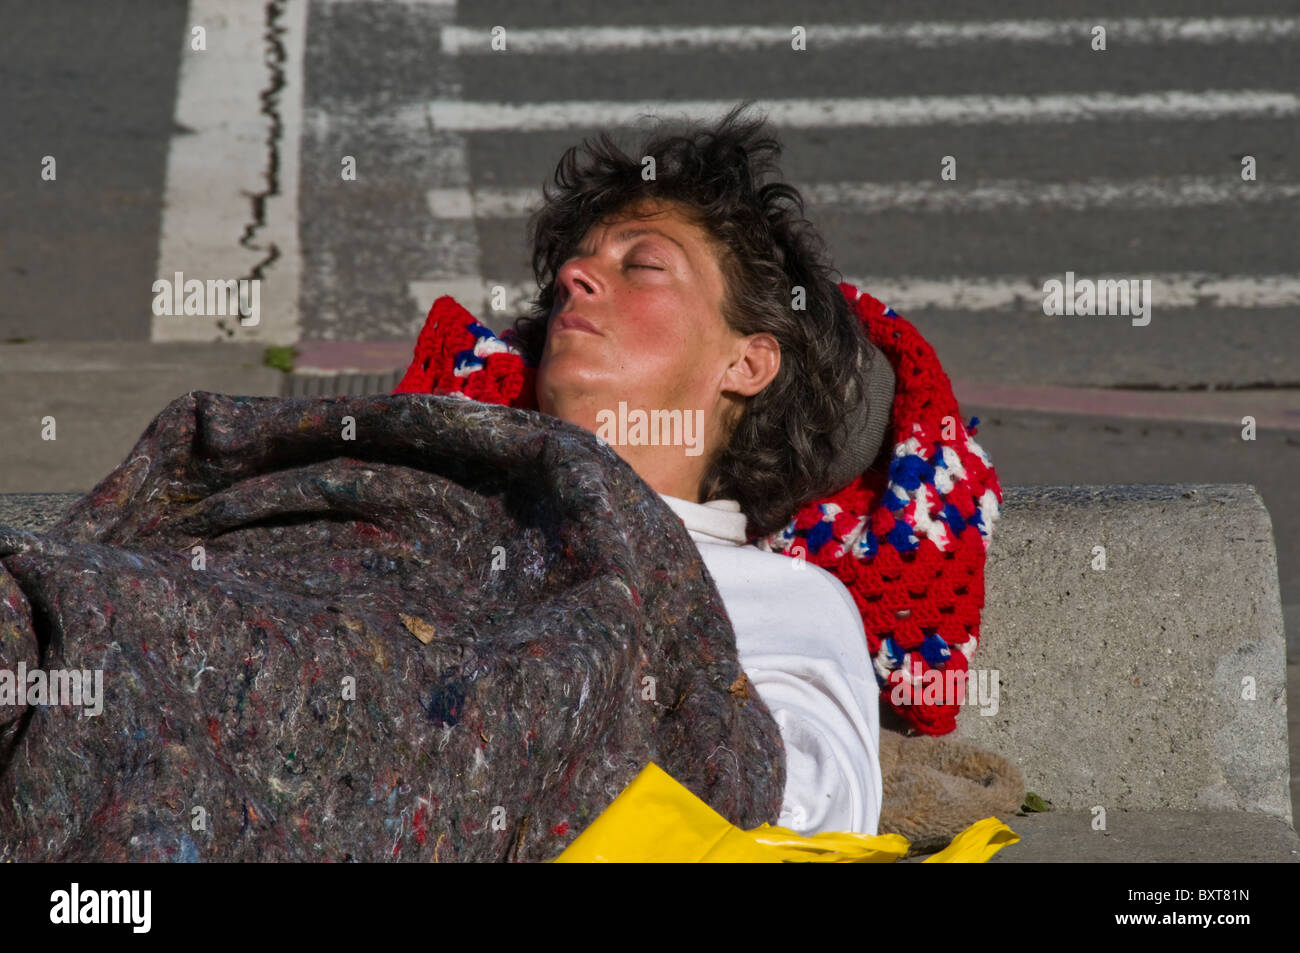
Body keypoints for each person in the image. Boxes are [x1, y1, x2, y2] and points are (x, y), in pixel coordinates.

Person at [505, 103, 888, 836]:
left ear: (747, 361)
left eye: (641, 264)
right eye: (567, 277)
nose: (577, 274)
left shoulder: (785, 600)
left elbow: (805, 816)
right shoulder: (466, 516)